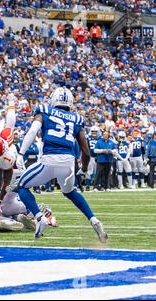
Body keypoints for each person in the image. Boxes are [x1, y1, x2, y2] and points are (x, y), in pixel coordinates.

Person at [15, 87, 107, 243]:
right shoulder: (76, 118)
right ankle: (94, 220)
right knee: (70, 192)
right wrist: (83, 170)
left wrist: (21, 153)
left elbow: (32, 131)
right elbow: (85, 151)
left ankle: (39, 217)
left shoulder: (44, 110)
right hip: (69, 163)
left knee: (21, 186)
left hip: (49, 160)